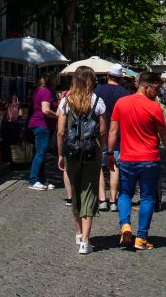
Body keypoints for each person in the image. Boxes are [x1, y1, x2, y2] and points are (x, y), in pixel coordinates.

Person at [107, 71, 166, 250]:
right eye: (155, 89)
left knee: (125, 194)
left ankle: (125, 225)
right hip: (149, 159)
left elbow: (113, 131)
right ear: (145, 86)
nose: (157, 93)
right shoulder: (154, 107)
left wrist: (109, 153)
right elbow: (165, 134)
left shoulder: (121, 103)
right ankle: (141, 238)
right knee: (147, 198)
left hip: (127, 158)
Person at [57, 67, 107, 254]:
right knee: (89, 192)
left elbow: (61, 131)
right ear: (91, 81)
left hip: (72, 152)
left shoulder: (66, 101)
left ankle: (78, 233)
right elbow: (102, 130)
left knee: (76, 192)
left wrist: (61, 154)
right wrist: (100, 149)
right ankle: (86, 241)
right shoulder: (98, 101)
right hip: (91, 152)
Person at [95, 65, 132, 211]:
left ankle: (102, 199)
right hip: (119, 135)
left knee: (98, 166)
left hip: (100, 133)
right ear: (120, 77)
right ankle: (113, 201)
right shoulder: (126, 94)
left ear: (107, 75)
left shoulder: (97, 91)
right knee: (114, 166)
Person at [27, 75, 58, 191]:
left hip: (40, 125)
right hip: (42, 125)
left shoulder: (39, 90)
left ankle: (42, 179)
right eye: (55, 79)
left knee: (41, 153)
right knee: (41, 153)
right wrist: (57, 116)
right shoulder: (46, 92)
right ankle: (33, 180)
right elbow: (45, 110)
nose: (57, 81)